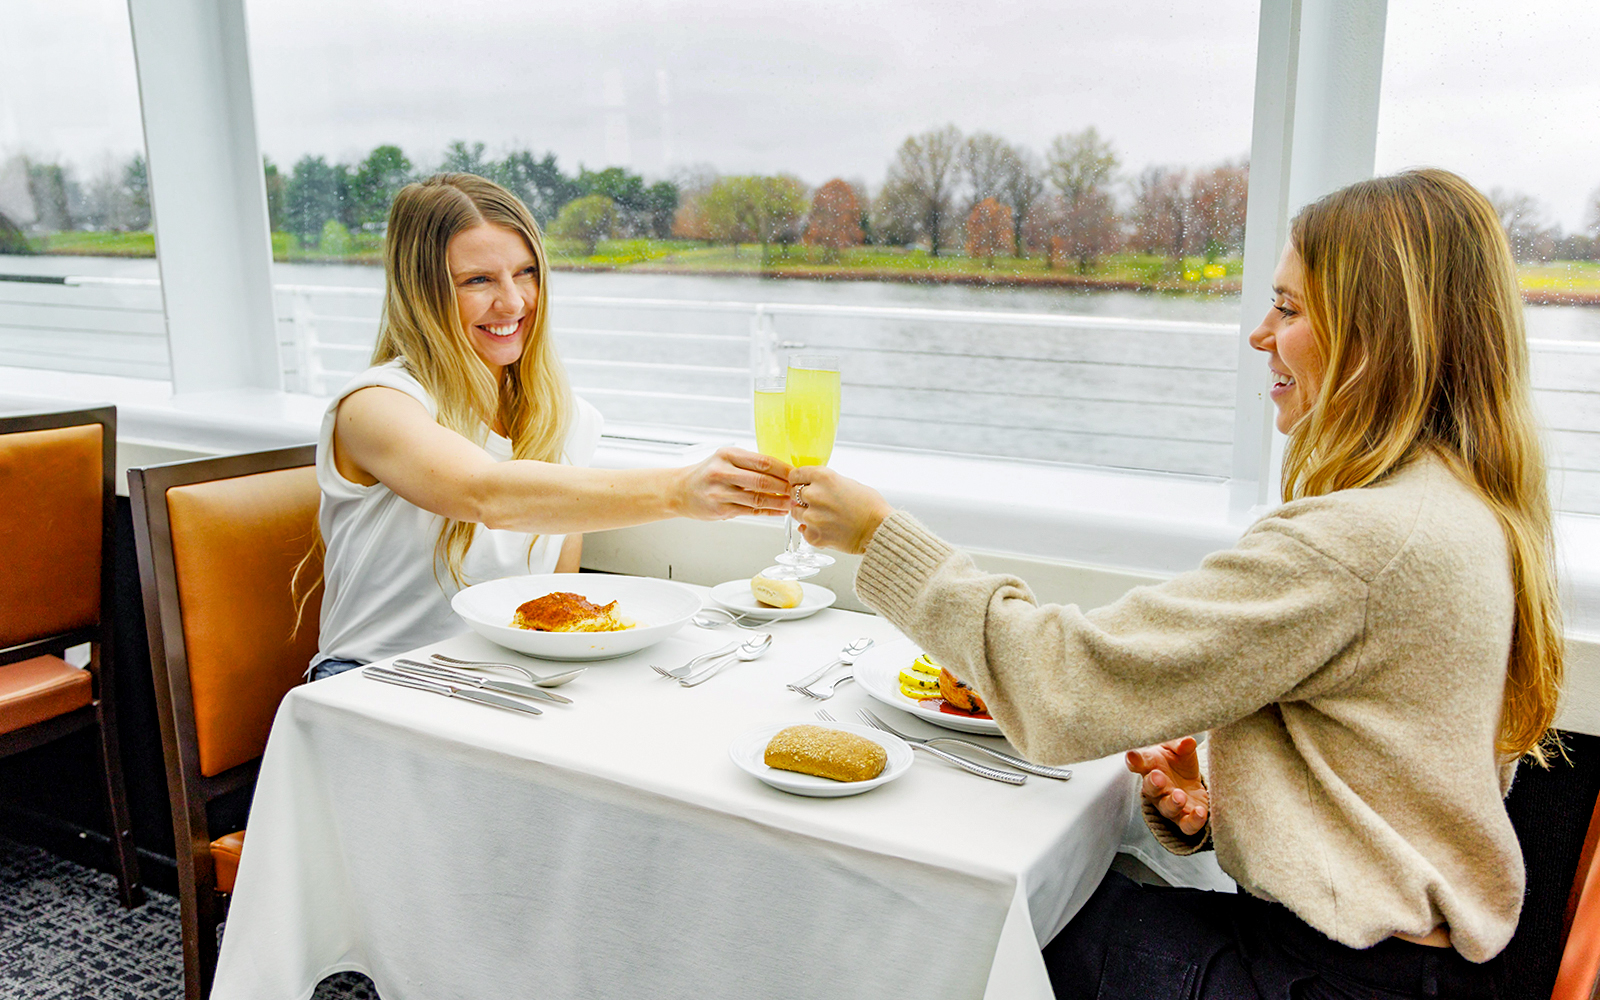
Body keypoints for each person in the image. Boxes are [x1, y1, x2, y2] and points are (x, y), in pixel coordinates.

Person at [788, 169, 1562, 999]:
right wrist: (1237, 804)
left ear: (1379, 337)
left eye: (1291, 309)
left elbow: (1062, 686)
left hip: (1323, 980)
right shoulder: (1465, 510)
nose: (1261, 333)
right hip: (1413, 972)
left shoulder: (1363, 542)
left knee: (934, 911)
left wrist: (879, 539)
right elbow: (1402, 779)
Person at [307, 173, 790, 680]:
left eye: (526, 273)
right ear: (421, 293)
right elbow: (486, 495)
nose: (513, 302)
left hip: (503, 675)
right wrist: (681, 490)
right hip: (370, 678)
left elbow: (553, 603)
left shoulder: (567, 419)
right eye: (477, 280)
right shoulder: (376, 406)